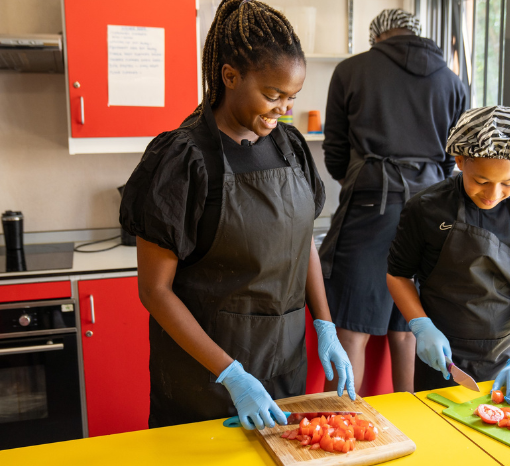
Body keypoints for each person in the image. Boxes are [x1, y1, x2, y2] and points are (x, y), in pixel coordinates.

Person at [119, 0, 355, 431]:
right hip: (205, 380)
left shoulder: (292, 148)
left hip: (285, 369)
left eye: (292, 98)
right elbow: (155, 291)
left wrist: (325, 325)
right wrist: (231, 373)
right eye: (272, 95)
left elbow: (302, 243)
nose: (283, 109)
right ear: (230, 76)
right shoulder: (183, 159)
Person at [318, 9, 468, 394]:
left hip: (370, 205)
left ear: (377, 37)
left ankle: (343, 428)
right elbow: (455, 157)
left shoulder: (352, 70)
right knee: (410, 329)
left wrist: (358, 179)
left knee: (352, 328)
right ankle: (409, 429)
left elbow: (334, 150)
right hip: (434, 206)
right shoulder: (452, 80)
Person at [386, 106, 510, 403]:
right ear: (460, 161)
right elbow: (398, 275)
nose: (493, 193)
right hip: (441, 357)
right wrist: (421, 326)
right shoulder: (426, 208)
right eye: (482, 181)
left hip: (508, 355)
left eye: (508, 182)